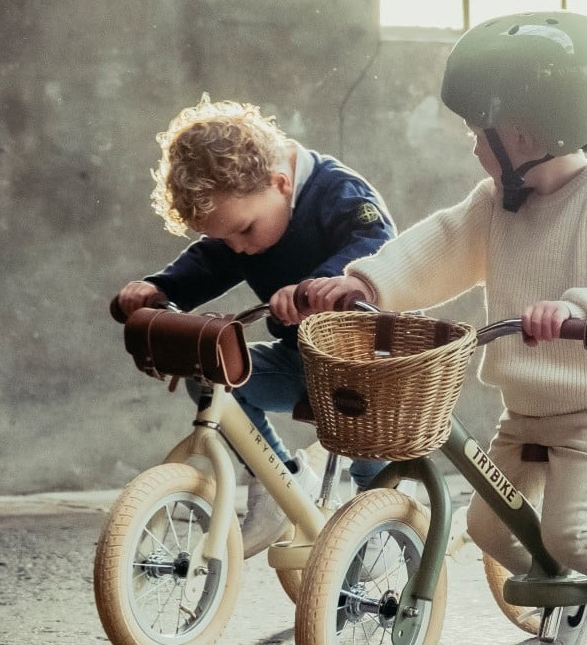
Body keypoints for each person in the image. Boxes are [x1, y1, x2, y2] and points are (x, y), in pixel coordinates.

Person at [296, 12, 587, 645]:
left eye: (477, 132)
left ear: (523, 134)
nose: (472, 148)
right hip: (527, 410)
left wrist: (582, 310)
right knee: (487, 523)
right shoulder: (497, 202)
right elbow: (440, 245)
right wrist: (367, 279)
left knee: (572, 533)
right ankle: (573, 595)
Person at [114, 96, 395, 555]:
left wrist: (323, 284)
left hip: (363, 362)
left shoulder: (339, 192)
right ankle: (278, 482)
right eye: (224, 237)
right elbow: (209, 262)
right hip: (298, 358)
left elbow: (377, 242)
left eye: (243, 231)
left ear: (280, 183)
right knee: (215, 377)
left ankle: (380, 518)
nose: (239, 248)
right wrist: (161, 290)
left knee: (368, 448)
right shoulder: (246, 219)